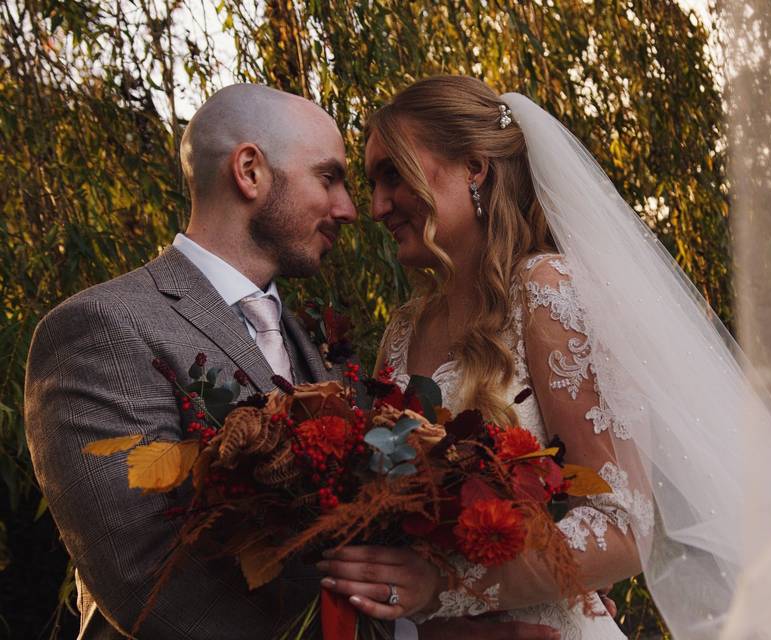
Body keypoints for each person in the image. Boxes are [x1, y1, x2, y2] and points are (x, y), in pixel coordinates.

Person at [24, 83, 560, 640]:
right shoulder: (103, 328)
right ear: (250, 171)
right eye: (328, 178)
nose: (353, 209)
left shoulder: (315, 347)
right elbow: (147, 581)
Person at [317, 75, 771, 639]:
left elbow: (622, 526)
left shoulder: (546, 292)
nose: (377, 206)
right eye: (372, 181)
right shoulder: (403, 329)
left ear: (474, 167)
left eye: (393, 175)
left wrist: (444, 583)